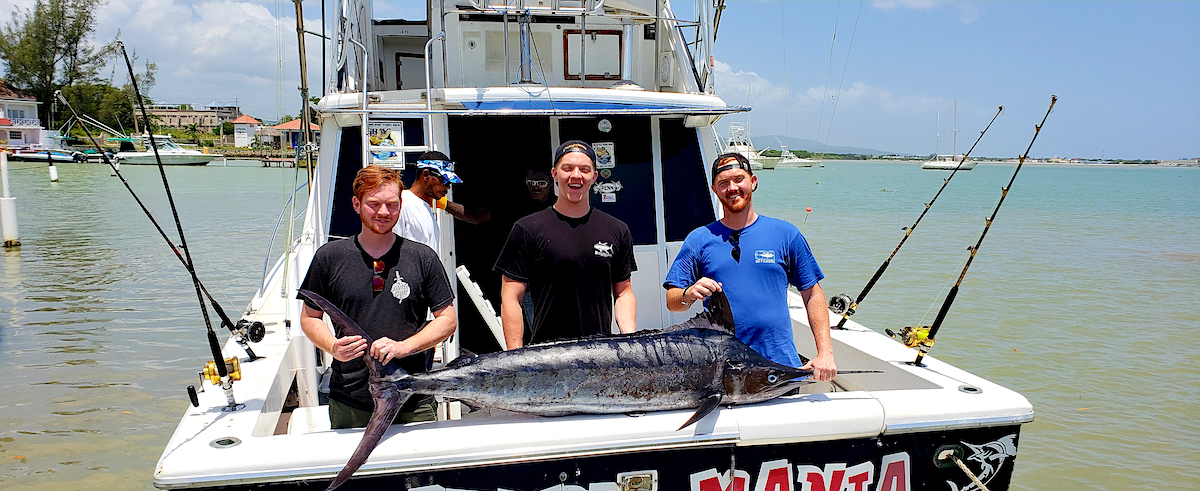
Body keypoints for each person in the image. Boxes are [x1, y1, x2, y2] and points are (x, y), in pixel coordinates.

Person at [298, 164, 457, 428]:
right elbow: (310, 317)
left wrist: (403, 347)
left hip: (413, 400)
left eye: (392, 205)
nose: (384, 212)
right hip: (350, 401)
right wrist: (332, 348)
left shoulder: (423, 257)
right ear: (356, 204)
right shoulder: (329, 257)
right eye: (374, 204)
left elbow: (448, 320)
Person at [662, 153, 837, 381]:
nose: (732, 188)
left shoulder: (786, 235)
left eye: (738, 179)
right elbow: (672, 301)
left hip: (779, 368)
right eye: (723, 183)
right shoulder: (698, 239)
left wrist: (825, 353)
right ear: (715, 191)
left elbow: (812, 294)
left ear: (753, 182)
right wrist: (689, 293)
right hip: (723, 372)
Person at [493, 140, 637, 349]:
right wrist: (515, 354)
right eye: (567, 168)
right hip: (546, 356)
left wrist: (629, 339)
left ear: (594, 177)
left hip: (601, 354)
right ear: (554, 174)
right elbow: (511, 297)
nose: (576, 175)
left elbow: (624, 293)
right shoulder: (527, 229)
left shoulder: (617, 230)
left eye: (584, 169)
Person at [393, 150, 489, 252]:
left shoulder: (426, 207)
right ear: (426, 175)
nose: (448, 187)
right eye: (445, 180)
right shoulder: (402, 204)